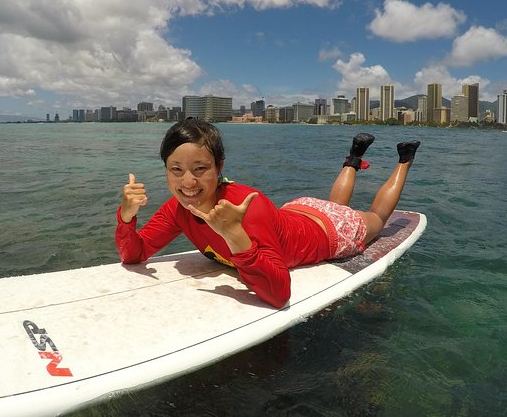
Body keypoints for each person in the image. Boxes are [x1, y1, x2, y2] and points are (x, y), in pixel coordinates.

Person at [116, 117, 420, 308]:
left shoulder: (247, 205)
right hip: (296, 211)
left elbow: (279, 294)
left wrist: (235, 235)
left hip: (328, 232)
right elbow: (134, 254)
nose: (188, 182)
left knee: (378, 220)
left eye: (200, 169)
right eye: (176, 170)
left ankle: (404, 159)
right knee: (337, 204)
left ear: (219, 167)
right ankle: (354, 156)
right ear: (166, 171)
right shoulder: (178, 208)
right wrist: (127, 217)